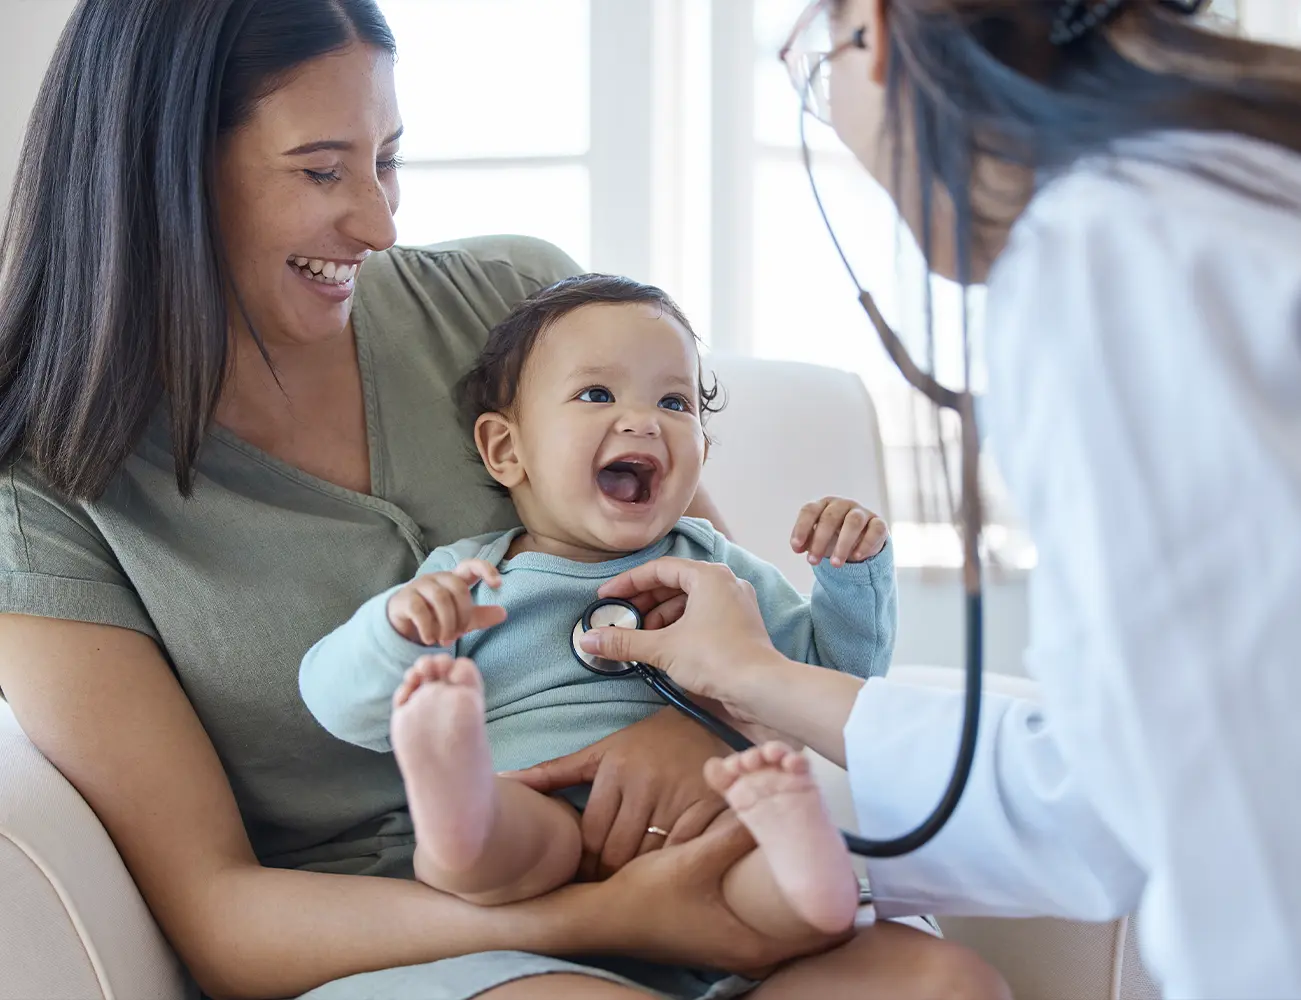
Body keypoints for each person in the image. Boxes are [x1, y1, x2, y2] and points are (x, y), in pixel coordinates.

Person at [0, 1, 1009, 998]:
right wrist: (600, 915)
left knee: (938, 985)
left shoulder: (517, 304)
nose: (380, 224)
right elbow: (221, 916)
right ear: (165, 177)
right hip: (404, 942)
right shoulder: (42, 497)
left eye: (387, 158)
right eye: (321, 170)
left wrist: (692, 731)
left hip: (696, 864)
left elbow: (710, 606)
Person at [571, 0, 1301, 997]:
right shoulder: (1230, 182)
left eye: (817, 66)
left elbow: (1179, 809)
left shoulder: (1109, 252)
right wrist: (753, 680)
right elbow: (1134, 774)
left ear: (873, 32)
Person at [299, 273, 897, 941]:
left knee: (768, 887)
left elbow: (830, 682)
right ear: (506, 449)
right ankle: (456, 795)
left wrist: (849, 577)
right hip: (536, 806)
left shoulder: (716, 569)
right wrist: (397, 630)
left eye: (674, 402)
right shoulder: (471, 579)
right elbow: (336, 704)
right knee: (489, 850)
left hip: (707, 818)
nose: (643, 419)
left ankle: (807, 868)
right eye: (595, 394)